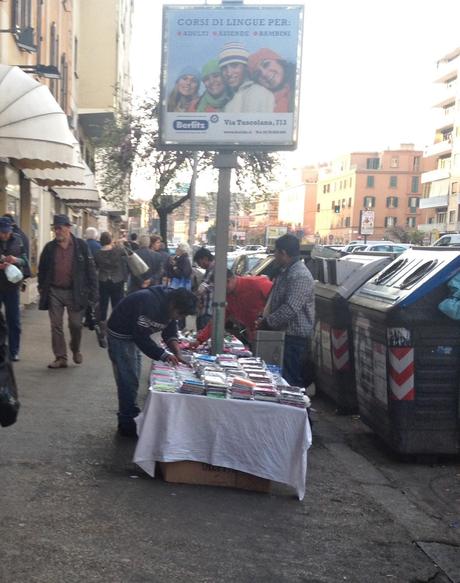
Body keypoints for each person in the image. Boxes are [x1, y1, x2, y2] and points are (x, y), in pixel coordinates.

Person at [107, 286, 197, 437]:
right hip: (121, 336)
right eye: (180, 314)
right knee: (128, 380)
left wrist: (177, 352)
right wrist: (164, 355)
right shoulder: (148, 302)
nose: (179, 318)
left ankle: (131, 416)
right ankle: (127, 423)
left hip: (132, 336)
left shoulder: (170, 305)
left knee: (132, 377)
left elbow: (170, 328)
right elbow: (140, 337)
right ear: (173, 304)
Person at [38, 214, 98, 369]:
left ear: (68, 228)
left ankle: (75, 348)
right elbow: (42, 269)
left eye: (60, 228)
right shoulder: (49, 248)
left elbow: (91, 270)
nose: (57, 231)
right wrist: (41, 286)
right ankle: (60, 357)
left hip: (76, 292)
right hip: (55, 291)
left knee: (76, 325)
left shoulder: (81, 246)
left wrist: (94, 293)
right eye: (55, 228)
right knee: (56, 325)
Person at [255, 233, 314, 387]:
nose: (274, 256)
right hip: (282, 335)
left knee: (291, 383)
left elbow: (290, 308)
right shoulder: (285, 272)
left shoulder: (300, 275)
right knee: (280, 380)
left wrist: (268, 322)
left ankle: (300, 411)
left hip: (293, 337)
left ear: (283, 253)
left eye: (276, 252)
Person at [192, 270, 273, 348]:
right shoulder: (227, 296)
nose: (220, 291)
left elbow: (278, 300)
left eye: (220, 287)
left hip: (271, 334)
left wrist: (266, 320)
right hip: (252, 336)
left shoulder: (257, 283)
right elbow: (217, 319)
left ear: (228, 281)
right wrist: (199, 340)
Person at [0, 217, 29, 361]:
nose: (5, 235)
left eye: (7, 232)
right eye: (2, 232)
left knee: (14, 320)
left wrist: (15, 260)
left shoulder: (18, 240)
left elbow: (25, 260)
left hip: (12, 286)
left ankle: (14, 351)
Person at [218, 42, 274, 113]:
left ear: (245, 67)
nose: (229, 73)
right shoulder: (228, 104)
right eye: (224, 68)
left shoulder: (261, 93)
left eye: (234, 65)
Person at [93, 232, 127, 337]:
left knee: (103, 304)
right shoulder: (118, 250)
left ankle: (102, 327)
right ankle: (115, 327)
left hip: (103, 280)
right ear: (110, 240)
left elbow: (96, 267)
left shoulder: (97, 253)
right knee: (116, 304)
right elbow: (127, 258)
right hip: (117, 280)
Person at [247, 48, 296, 113]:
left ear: (279, 61)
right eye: (258, 74)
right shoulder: (263, 104)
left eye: (266, 64)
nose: (264, 74)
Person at [193, 247, 215, 330]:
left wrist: (196, 297)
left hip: (208, 310)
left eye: (199, 262)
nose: (199, 266)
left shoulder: (213, 269)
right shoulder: (210, 269)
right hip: (206, 310)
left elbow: (202, 288)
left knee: (204, 335)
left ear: (205, 258)